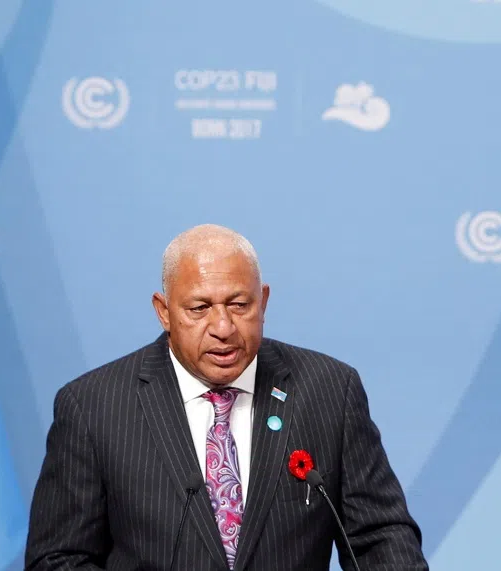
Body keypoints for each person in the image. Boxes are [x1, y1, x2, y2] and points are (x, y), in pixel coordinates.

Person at [24, 224, 428, 571]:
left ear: (263, 301)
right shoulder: (94, 407)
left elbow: (380, 537)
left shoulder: (329, 391)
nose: (223, 327)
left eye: (239, 305)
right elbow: (58, 558)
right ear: (163, 311)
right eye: (200, 308)